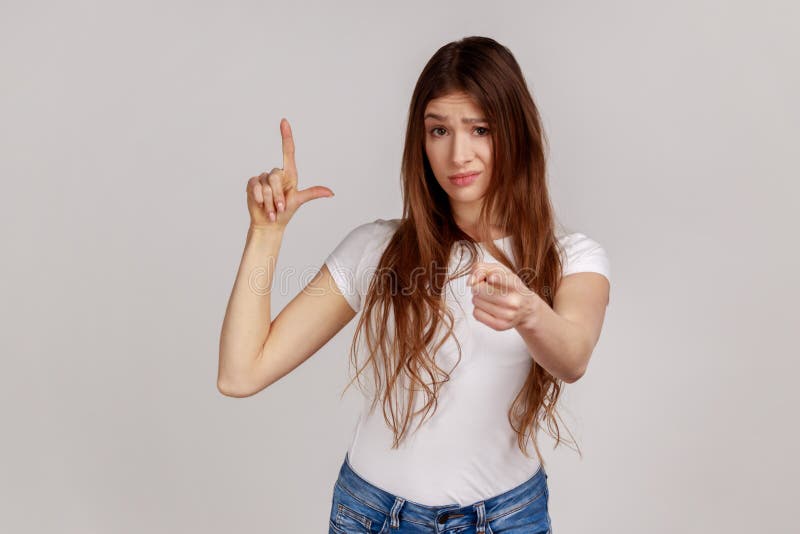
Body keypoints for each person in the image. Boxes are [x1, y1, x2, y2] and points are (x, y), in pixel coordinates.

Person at [218, 35, 610, 534]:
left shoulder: (571, 258)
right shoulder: (376, 250)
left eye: (481, 129)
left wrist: (530, 312)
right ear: (420, 141)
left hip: (509, 519)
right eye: (439, 130)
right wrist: (265, 233)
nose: (458, 154)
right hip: (375, 517)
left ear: (515, 133)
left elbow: (573, 357)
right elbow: (240, 373)